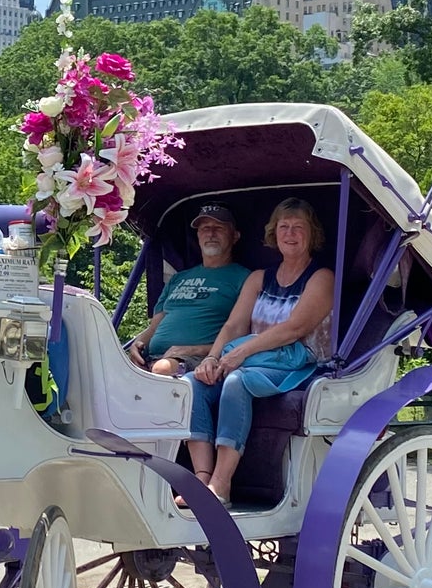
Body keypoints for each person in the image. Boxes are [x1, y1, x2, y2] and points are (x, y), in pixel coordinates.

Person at [184, 196, 337, 502]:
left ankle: (221, 483)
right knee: (193, 382)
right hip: (254, 358)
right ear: (274, 233)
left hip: (300, 363)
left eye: (298, 227)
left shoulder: (322, 278)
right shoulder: (259, 279)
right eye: (284, 227)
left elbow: (294, 329)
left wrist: (240, 354)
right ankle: (200, 479)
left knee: (237, 381)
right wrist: (213, 358)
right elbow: (233, 326)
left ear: (311, 234)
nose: (290, 234)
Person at [125, 203, 251, 376]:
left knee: (161, 368)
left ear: (235, 236)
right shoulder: (178, 278)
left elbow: (243, 334)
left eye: (219, 228)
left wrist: (193, 350)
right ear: (198, 236)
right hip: (152, 358)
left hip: (199, 360)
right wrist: (137, 344)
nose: (211, 234)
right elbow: (154, 327)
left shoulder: (244, 278)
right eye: (205, 228)